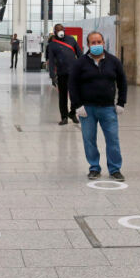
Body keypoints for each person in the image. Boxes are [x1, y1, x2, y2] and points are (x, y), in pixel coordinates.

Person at [69, 31, 128, 181]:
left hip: (108, 108)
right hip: (87, 109)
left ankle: (115, 169)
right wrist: (77, 106)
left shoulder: (114, 62)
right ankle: (94, 168)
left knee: (113, 139)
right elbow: (73, 85)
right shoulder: (80, 63)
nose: (96, 45)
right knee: (89, 140)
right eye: (93, 43)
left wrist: (121, 102)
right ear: (87, 45)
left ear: (103, 43)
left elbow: (122, 82)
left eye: (99, 42)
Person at [47, 24, 82, 125]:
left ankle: (72, 113)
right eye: (58, 30)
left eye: (61, 29)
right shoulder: (52, 45)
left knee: (75, 95)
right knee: (62, 97)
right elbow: (51, 61)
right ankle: (64, 117)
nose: (60, 31)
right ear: (54, 32)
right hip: (61, 73)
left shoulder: (71, 39)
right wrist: (52, 76)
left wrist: (84, 68)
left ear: (64, 30)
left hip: (74, 72)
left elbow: (80, 54)